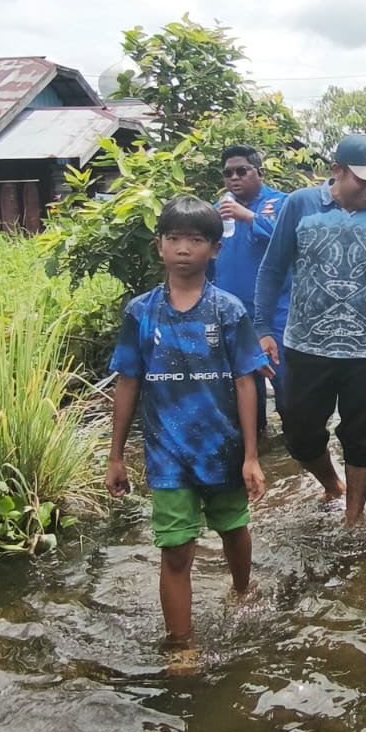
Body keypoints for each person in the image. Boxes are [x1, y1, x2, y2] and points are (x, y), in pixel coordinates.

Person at [106, 195, 268, 649]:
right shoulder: (141, 312)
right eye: (173, 238)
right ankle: (180, 645)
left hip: (223, 448)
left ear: (214, 250)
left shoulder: (228, 311)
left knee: (234, 528)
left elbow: (245, 382)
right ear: (159, 246)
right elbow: (128, 383)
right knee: (175, 550)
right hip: (167, 454)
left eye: (195, 240)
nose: (183, 248)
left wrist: (252, 456)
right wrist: (116, 455)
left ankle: (242, 590)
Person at [254, 134, 366, 526]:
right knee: (299, 431)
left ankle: (353, 517)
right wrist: (262, 327)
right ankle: (332, 483)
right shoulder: (301, 205)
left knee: (362, 434)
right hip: (306, 345)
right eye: (364, 179)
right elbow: (273, 268)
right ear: (337, 172)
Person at [210, 146, 288, 435]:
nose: (234, 178)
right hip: (232, 315)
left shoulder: (281, 203)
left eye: (241, 171)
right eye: (228, 173)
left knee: (285, 385)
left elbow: (289, 239)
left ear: (259, 173)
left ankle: (298, 450)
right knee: (243, 386)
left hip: (276, 313)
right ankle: (258, 449)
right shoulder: (219, 210)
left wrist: (249, 217)